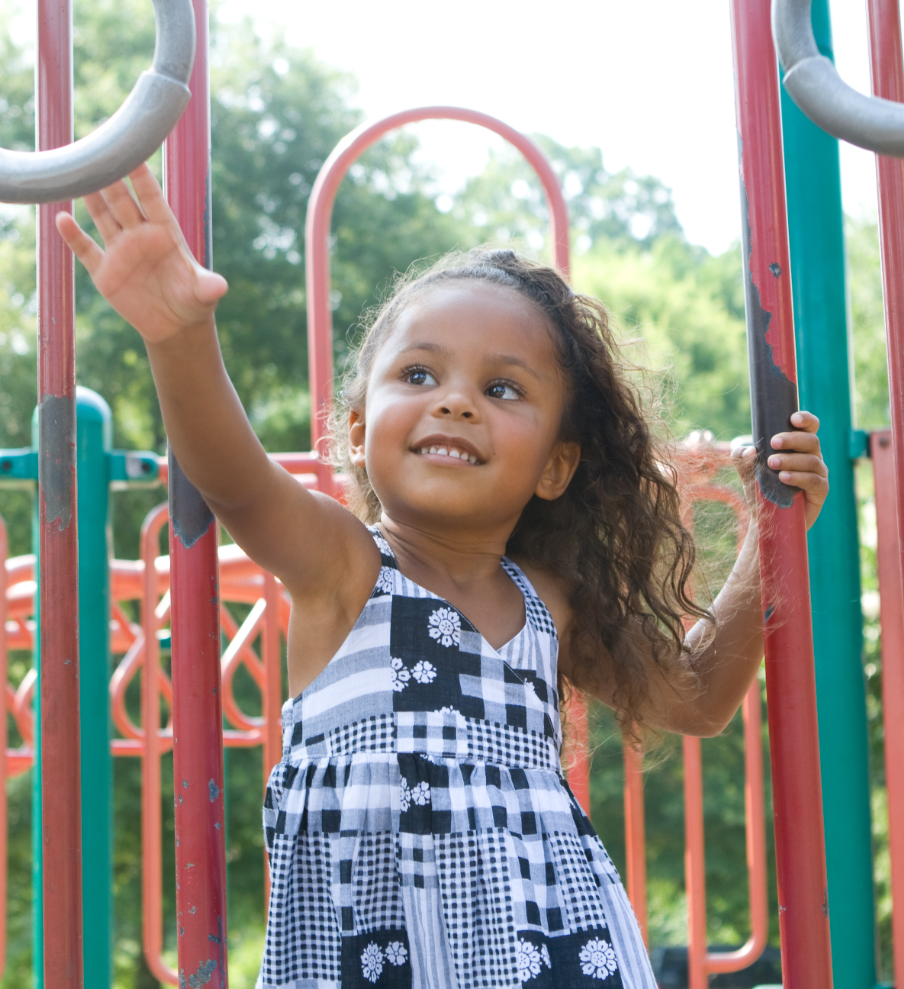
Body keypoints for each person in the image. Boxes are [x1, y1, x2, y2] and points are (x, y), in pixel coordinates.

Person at [57, 165, 829, 989]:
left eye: (501, 388)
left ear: (556, 465)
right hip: (378, 956)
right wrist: (178, 335)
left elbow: (695, 694)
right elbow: (235, 479)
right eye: (418, 375)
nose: (455, 402)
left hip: (553, 956)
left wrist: (775, 535)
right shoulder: (346, 566)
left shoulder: (547, 603)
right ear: (357, 431)